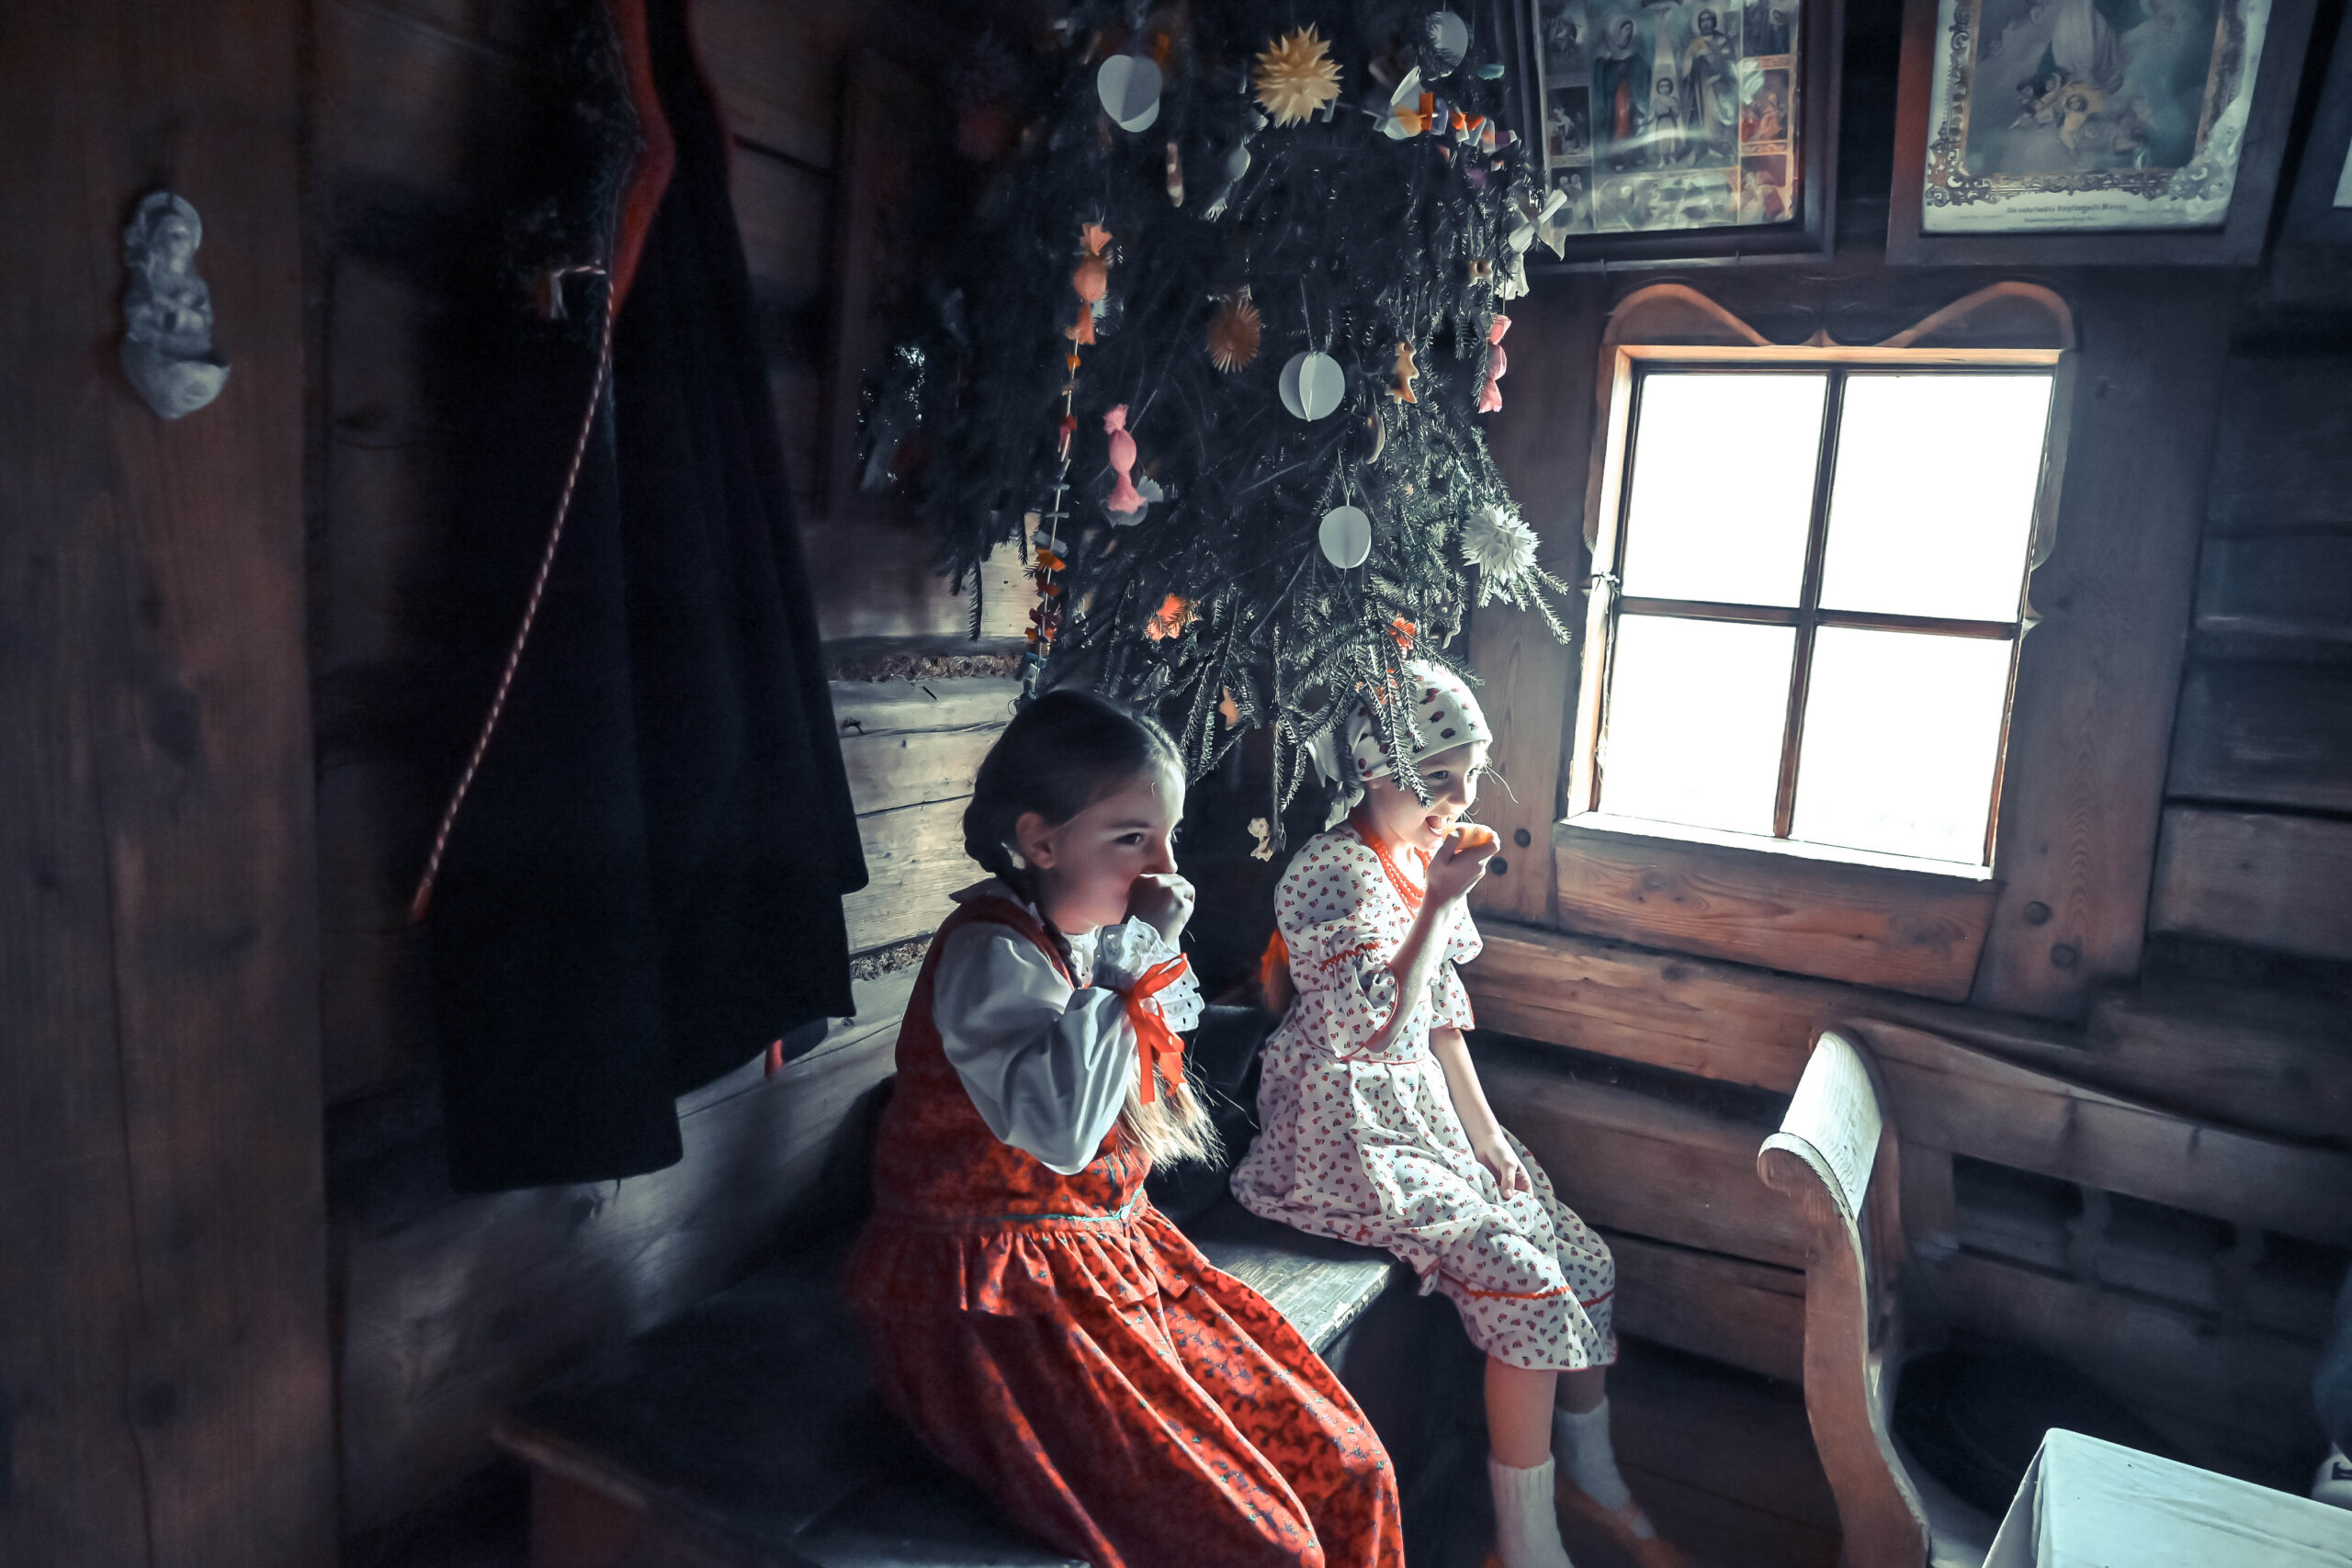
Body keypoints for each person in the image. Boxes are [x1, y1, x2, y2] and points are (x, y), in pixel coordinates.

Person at [843, 691, 1405, 1568]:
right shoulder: (992, 953)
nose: (1164, 866)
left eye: (1169, 835)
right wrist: (1134, 959)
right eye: (1132, 837)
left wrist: (1131, 962)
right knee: (1266, 1547)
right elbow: (1063, 1133)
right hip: (993, 1294)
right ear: (1040, 842)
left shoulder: (1091, 942)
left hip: (1112, 1249)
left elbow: (1140, 1094)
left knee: (1351, 1467)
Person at [1236, 664, 1689, 1568]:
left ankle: (1589, 1479)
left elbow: (1439, 1020)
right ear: (1376, 767)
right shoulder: (1331, 870)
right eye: (1438, 775)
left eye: (1472, 774)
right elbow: (1371, 1029)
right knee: (1525, 1280)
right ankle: (1526, 1542)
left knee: (1580, 1258)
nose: (1461, 797)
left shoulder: (1420, 856)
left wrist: (1484, 1135)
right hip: (1341, 1126)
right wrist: (1439, 901)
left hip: (1423, 1107)